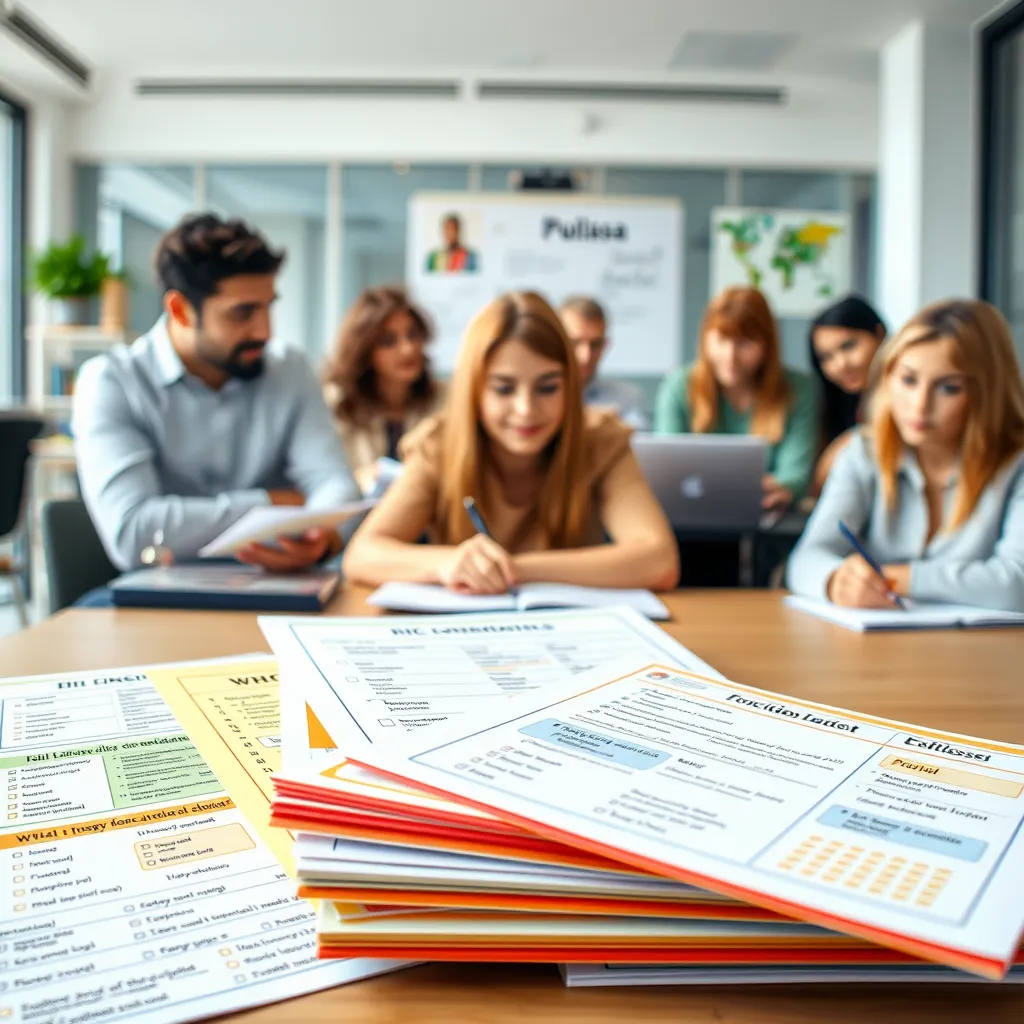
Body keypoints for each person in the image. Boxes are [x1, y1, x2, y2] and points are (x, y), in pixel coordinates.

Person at [73, 214, 360, 572]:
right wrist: (272, 504)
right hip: (155, 593)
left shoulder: (290, 369)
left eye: (269, 306)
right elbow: (134, 533)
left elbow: (334, 485)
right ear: (180, 310)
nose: (265, 331)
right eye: (242, 313)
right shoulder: (112, 382)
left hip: (281, 582)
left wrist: (324, 538)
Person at [342, 291, 678, 594]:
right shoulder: (439, 445)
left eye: (547, 388)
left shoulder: (601, 438)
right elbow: (362, 556)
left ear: (570, 385)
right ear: (474, 390)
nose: (526, 410)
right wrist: (445, 563)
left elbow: (658, 560)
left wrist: (514, 569)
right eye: (503, 389)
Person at [787, 299, 1024, 612]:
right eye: (908, 380)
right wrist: (836, 581)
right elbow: (805, 559)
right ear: (888, 378)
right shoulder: (863, 453)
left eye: (949, 388)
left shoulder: (1016, 465)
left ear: (987, 393)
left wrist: (899, 579)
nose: (920, 405)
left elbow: (1016, 586)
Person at [654, 286, 818, 511]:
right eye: (721, 340)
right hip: (691, 519)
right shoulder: (679, 386)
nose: (730, 357)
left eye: (744, 343)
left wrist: (782, 488)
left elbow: (795, 476)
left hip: (766, 518)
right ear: (705, 339)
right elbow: (666, 470)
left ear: (766, 345)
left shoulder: (799, 389)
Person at [323, 285, 444, 494]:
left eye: (413, 335)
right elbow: (321, 479)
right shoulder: (337, 405)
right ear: (364, 351)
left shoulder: (445, 399)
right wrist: (357, 479)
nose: (408, 349)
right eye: (389, 341)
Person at [809, 295, 887, 493]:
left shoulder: (906, 396)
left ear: (880, 334)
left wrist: (853, 438)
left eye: (849, 346)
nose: (840, 364)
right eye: (826, 357)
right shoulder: (849, 400)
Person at [558, 295, 649, 429]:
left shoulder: (627, 396)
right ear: (557, 341)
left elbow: (638, 439)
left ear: (605, 345)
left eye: (595, 344)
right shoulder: (538, 395)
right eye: (575, 343)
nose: (585, 356)